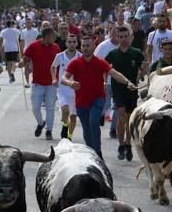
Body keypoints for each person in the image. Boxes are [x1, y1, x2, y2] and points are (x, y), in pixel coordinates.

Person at [61, 34, 136, 160]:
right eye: (83, 46)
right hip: (81, 101)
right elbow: (64, 78)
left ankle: (98, 152)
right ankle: (90, 151)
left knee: (93, 121)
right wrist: (70, 83)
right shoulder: (75, 63)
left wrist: (128, 82)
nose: (85, 48)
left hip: (97, 99)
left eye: (88, 45)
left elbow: (114, 73)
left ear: (93, 46)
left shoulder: (100, 62)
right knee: (86, 128)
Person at [104, 25, 143, 161]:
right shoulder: (113, 54)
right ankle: (121, 145)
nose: (124, 39)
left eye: (126, 36)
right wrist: (104, 82)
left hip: (132, 90)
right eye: (121, 37)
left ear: (130, 37)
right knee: (121, 116)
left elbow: (143, 67)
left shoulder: (137, 53)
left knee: (129, 119)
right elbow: (104, 67)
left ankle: (128, 144)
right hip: (118, 90)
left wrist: (143, 73)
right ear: (117, 38)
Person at [23, 24, 60, 141]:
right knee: (35, 108)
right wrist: (22, 63)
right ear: (46, 36)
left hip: (51, 83)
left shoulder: (56, 47)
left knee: (50, 108)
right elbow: (25, 58)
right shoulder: (33, 46)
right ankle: (41, 123)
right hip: (37, 82)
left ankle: (49, 130)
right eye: (53, 36)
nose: (54, 38)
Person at [51, 33, 80, 140]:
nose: (72, 44)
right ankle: (64, 126)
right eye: (69, 42)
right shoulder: (60, 56)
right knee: (65, 111)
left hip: (75, 91)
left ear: (77, 43)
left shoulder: (80, 57)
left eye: (74, 42)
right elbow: (53, 67)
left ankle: (69, 135)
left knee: (73, 117)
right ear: (66, 43)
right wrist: (54, 78)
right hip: (63, 89)